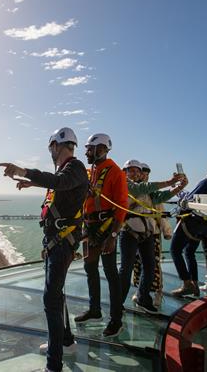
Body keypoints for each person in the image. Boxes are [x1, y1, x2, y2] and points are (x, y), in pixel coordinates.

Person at [0, 127, 88, 372]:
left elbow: (61, 182)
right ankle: (66, 341)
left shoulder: (76, 168)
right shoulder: (68, 171)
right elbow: (60, 187)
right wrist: (32, 183)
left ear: (58, 145)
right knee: (56, 294)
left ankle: (54, 365)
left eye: (51, 148)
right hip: (56, 242)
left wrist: (25, 171)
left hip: (62, 242)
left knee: (51, 298)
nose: (50, 152)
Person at [74, 133, 127, 338]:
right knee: (90, 268)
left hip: (106, 229)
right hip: (90, 227)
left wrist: (113, 235)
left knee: (110, 272)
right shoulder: (91, 172)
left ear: (101, 149)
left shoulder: (115, 172)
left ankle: (116, 320)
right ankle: (95, 310)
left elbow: (122, 206)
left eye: (89, 149)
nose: (86, 152)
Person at [119, 160, 187, 313]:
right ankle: (118, 302)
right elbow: (140, 188)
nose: (136, 173)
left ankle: (143, 297)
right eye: (131, 170)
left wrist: (178, 187)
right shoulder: (125, 184)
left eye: (137, 171)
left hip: (146, 231)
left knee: (149, 266)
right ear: (125, 172)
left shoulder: (144, 189)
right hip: (130, 231)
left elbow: (160, 197)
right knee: (126, 268)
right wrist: (170, 182)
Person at [170, 157, 207, 297]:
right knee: (189, 252)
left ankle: (186, 283)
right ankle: (195, 285)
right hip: (204, 226)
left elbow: (188, 200)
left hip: (191, 223)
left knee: (174, 250)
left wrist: (178, 193)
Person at [131, 162, 177, 308]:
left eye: (146, 173)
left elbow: (160, 213)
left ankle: (157, 293)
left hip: (152, 233)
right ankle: (140, 292)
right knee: (138, 265)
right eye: (142, 172)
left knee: (154, 265)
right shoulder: (135, 190)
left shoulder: (151, 192)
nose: (144, 175)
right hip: (136, 232)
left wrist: (167, 231)